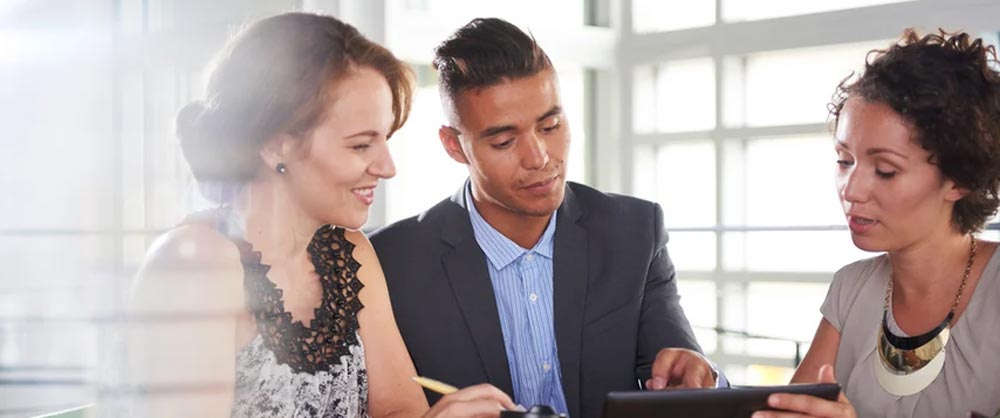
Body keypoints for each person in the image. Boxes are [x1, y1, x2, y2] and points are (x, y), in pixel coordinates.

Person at [126, 12, 516, 418]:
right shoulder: (196, 264)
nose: (387, 167)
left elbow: (402, 410)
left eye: (385, 139)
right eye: (361, 146)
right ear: (276, 146)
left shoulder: (350, 254)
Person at [370, 18, 722, 418]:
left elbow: (682, 371)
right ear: (455, 146)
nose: (539, 158)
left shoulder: (634, 232)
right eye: (504, 141)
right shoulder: (391, 262)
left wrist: (699, 376)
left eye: (550, 125)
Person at [755, 30, 1000, 418]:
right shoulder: (850, 289)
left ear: (960, 180)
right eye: (844, 160)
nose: (851, 190)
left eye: (885, 170)